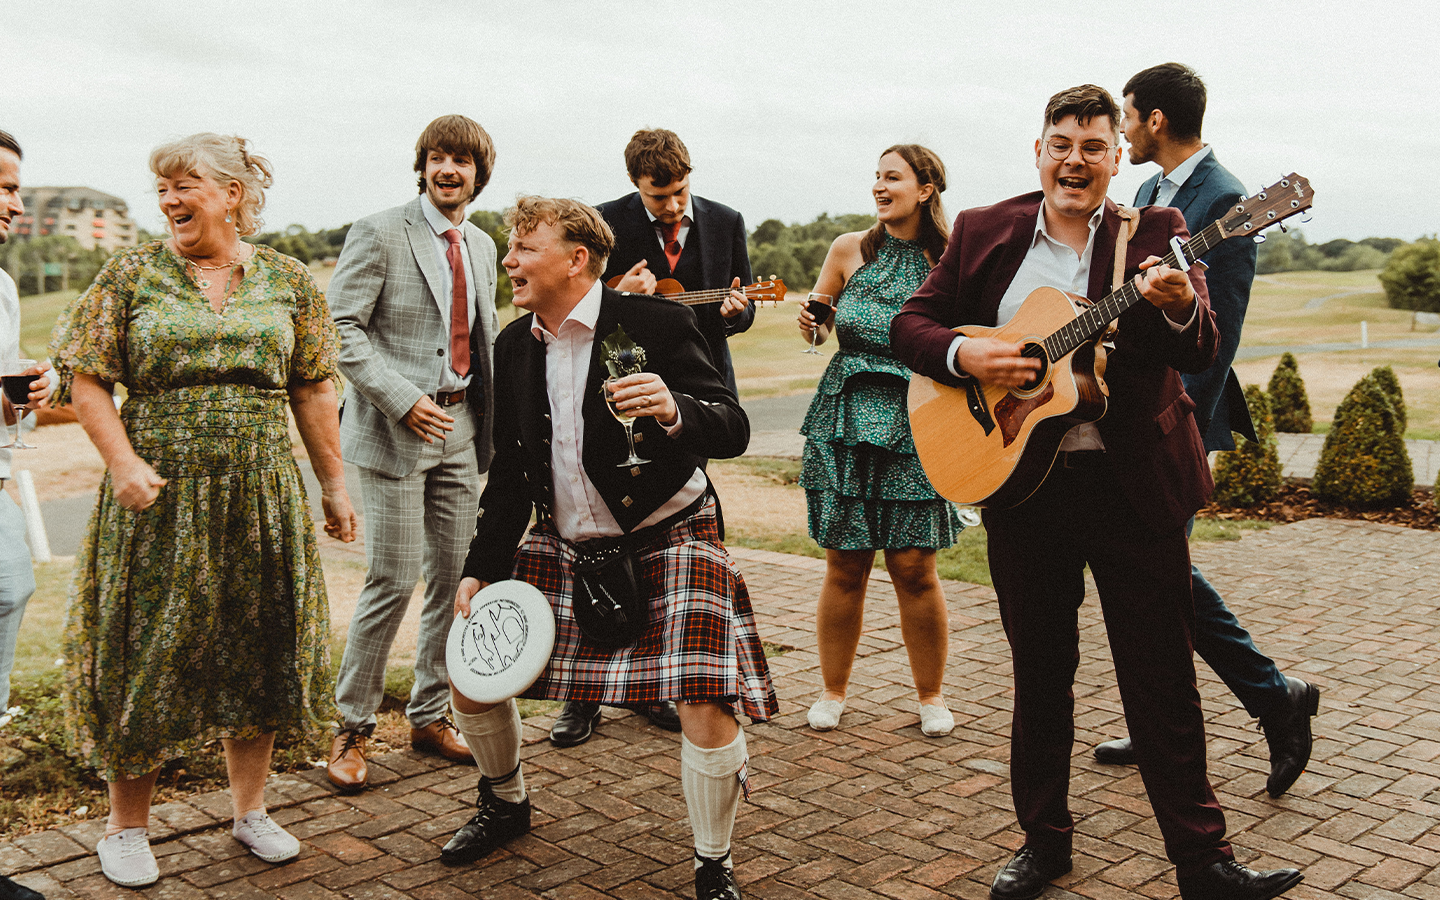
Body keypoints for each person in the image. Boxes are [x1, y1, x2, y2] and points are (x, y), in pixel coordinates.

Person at [890, 85, 1302, 900]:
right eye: (1061, 143)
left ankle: (1203, 862)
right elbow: (912, 323)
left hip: (1132, 489)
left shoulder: (1160, 233)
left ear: (1119, 158)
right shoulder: (984, 230)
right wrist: (967, 358)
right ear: (1037, 151)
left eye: (1093, 146)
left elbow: (1199, 347)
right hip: (1022, 492)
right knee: (1041, 676)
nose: (1075, 160)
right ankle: (1044, 843)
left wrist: (1181, 305)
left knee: (1162, 679)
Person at [442, 197, 777, 900]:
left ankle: (712, 861)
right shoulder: (511, 344)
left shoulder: (657, 322)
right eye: (510, 248)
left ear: (576, 259)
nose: (509, 261)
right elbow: (508, 471)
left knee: (704, 698)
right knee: (471, 673)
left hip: (669, 534)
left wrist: (675, 409)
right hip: (564, 543)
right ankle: (505, 801)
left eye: (524, 247)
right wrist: (481, 568)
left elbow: (734, 428)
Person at [49, 133, 357, 888]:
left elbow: (314, 388)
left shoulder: (287, 279)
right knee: (149, 651)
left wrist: (335, 488)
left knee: (257, 644)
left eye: (183, 185)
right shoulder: (131, 275)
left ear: (232, 193)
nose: (169, 201)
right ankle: (124, 829)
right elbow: (85, 380)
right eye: (161, 189)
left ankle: (249, 811)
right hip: (159, 494)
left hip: (260, 492)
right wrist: (122, 461)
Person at [1091, 62, 1320, 799]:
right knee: (1155, 577)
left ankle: (1275, 696)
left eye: (1126, 115)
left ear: (1155, 118)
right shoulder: (1149, 191)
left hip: (1172, 420)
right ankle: (1169, 712)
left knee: (1167, 577)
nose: (1122, 129)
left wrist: (1164, 422)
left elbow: (1215, 335)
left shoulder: (1222, 198)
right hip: (1124, 416)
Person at [550, 128, 756, 746]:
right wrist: (617, 298)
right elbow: (579, 301)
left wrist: (736, 313)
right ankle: (582, 697)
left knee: (672, 532)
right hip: (615, 390)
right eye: (657, 196)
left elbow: (740, 300)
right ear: (636, 185)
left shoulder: (726, 221)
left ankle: (658, 684)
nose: (670, 207)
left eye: (679, 192)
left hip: (694, 391)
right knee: (601, 532)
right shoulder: (604, 222)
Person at [326, 115, 500, 791]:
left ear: (479, 173)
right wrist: (400, 397)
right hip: (395, 430)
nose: (447, 169)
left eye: (461, 160)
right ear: (423, 166)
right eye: (437, 157)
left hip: (461, 432)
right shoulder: (379, 231)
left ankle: (430, 716)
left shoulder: (483, 246)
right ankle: (351, 729)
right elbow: (340, 329)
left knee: (453, 583)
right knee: (392, 581)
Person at [797, 145, 963, 738]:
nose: (878, 186)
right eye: (875, 176)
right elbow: (821, 324)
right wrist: (814, 325)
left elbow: (966, 334)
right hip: (846, 418)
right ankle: (832, 692)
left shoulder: (950, 257)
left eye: (892, 177)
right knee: (844, 563)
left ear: (925, 189)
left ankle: (931, 697)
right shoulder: (848, 249)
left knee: (914, 565)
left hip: (919, 418)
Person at [0, 128, 54, 900]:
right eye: (4, 188)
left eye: (16, 189)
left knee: (13, 590)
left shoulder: (4, 287)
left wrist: (30, 403)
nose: (15, 205)